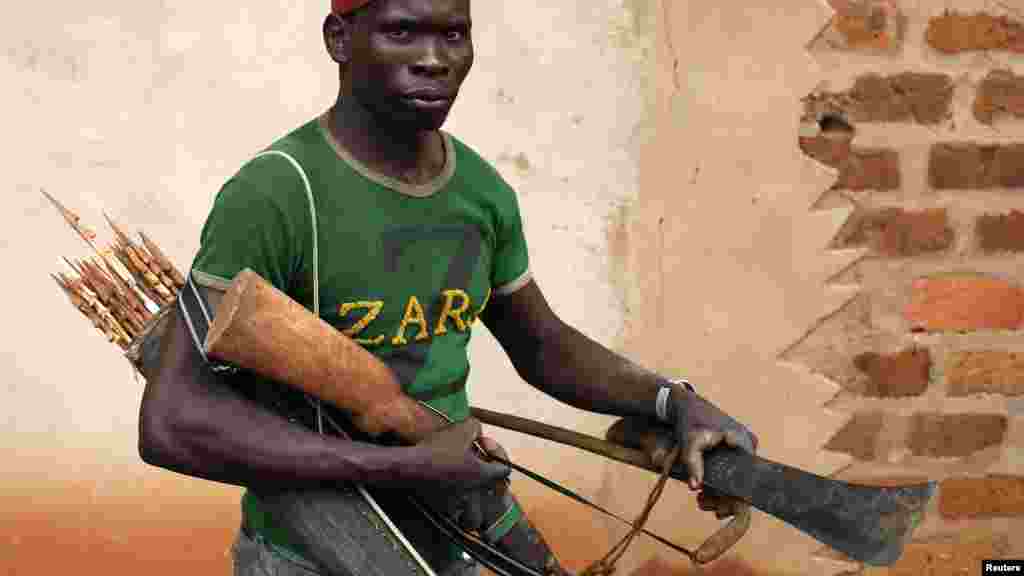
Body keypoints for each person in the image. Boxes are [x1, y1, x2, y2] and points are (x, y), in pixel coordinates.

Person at [137, 0, 759, 575]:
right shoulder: (278, 194)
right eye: (402, 30)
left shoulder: (480, 192)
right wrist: (400, 466)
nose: (434, 60)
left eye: (453, 33)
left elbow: (542, 346)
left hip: (460, 533)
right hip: (316, 551)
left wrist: (671, 402)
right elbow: (173, 423)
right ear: (339, 38)